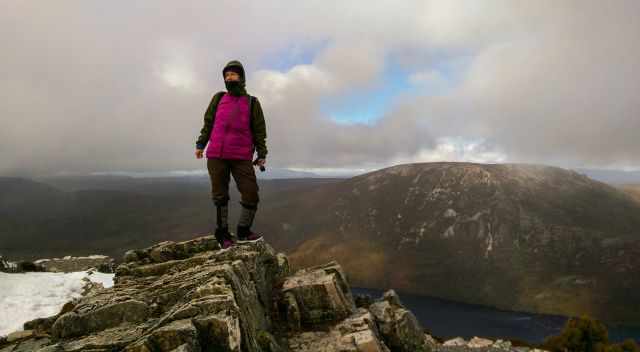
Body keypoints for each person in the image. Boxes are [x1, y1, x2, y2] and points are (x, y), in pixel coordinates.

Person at [195, 60, 268, 249]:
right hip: (217, 155)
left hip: (241, 156)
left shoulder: (252, 102)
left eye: (233, 74)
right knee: (220, 196)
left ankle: (244, 230)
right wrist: (201, 144)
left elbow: (259, 130)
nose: (229, 77)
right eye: (226, 75)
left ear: (241, 77)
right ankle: (222, 234)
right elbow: (209, 123)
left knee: (251, 193)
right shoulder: (219, 98)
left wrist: (262, 153)